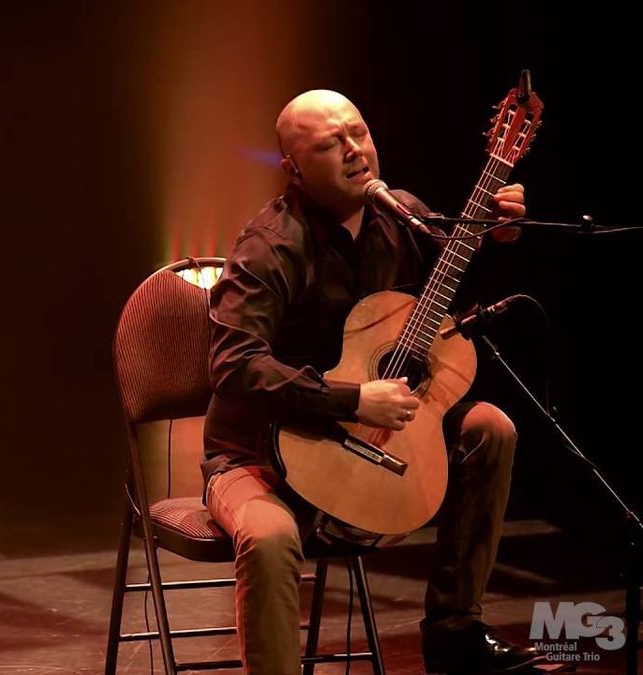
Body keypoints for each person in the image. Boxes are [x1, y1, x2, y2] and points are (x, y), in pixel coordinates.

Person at [202, 89, 542, 674]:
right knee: (270, 537)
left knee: (491, 427)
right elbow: (233, 364)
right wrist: (352, 398)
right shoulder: (269, 246)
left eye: (358, 132)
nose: (355, 150)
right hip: (257, 455)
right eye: (330, 145)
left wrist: (498, 242)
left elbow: (453, 307)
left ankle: (455, 632)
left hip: (368, 451)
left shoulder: (403, 215)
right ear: (294, 169)